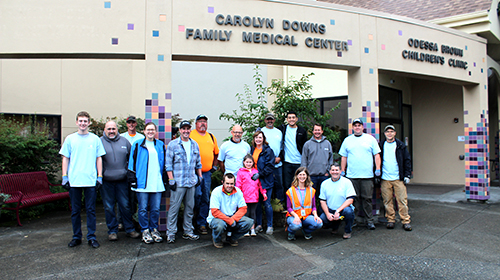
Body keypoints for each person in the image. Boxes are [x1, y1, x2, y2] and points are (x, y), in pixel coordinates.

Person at [60, 111, 106, 248]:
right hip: (74, 181)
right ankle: (76, 237)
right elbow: (65, 158)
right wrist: (64, 176)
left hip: (90, 180)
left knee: (91, 210)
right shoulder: (70, 139)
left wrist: (99, 176)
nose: (83, 123)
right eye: (80, 121)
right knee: (75, 211)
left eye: (85, 121)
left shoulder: (95, 139)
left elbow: (99, 158)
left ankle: (91, 237)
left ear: (89, 123)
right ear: (76, 122)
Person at [100, 121, 140, 241]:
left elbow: (131, 159)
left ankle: (129, 229)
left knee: (125, 205)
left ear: (117, 129)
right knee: (108, 207)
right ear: (105, 129)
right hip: (106, 181)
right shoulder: (99, 142)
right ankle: (112, 231)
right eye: (109, 129)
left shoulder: (124, 141)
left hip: (122, 181)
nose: (111, 131)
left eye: (113, 129)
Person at [339, 118, 381, 230]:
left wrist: (377, 168)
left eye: (359, 125)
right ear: (352, 128)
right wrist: (342, 170)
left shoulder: (370, 139)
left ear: (363, 127)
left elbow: (376, 155)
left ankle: (369, 221)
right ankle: (354, 220)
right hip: (352, 176)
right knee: (354, 200)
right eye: (355, 125)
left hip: (367, 176)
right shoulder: (347, 140)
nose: (357, 127)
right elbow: (344, 156)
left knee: (367, 199)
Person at [128, 122, 166, 244]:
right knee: (143, 208)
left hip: (157, 182)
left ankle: (154, 229)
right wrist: (132, 178)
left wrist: (166, 178)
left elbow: (164, 162)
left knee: (155, 209)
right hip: (142, 182)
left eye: (152, 130)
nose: (150, 132)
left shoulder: (160, 145)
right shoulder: (137, 144)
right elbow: (131, 162)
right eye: (148, 130)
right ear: (144, 131)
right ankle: (145, 230)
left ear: (155, 132)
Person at [165, 120, 203, 243]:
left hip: (191, 182)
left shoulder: (194, 144)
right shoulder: (173, 144)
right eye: (183, 129)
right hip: (178, 182)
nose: (186, 131)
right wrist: (171, 179)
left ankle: (188, 231)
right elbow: (168, 164)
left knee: (189, 208)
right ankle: (171, 233)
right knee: (174, 208)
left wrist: (200, 176)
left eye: (188, 129)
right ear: (180, 130)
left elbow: (198, 163)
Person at [190, 114, 219, 235]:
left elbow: (216, 153)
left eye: (205, 122)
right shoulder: (191, 134)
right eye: (200, 121)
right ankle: (191, 221)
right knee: (195, 196)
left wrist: (214, 167)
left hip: (206, 173)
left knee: (205, 198)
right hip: (193, 173)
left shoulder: (211, 137)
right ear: (196, 123)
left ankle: (202, 223)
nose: (203, 124)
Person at [379, 125, 413, 231]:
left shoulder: (401, 146)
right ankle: (390, 220)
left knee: (402, 200)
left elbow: (407, 160)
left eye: (391, 131)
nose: (389, 133)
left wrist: (407, 175)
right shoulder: (380, 145)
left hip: (398, 178)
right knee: (387, 201)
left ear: (395, 133)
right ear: (384, 133)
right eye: (387, 131)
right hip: (385, 178)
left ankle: (405, 221)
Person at [207, 173, 254, 248]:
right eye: (227, 183)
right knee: (219, 225)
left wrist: (232, 219)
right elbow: (215, 211)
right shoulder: (216, 192)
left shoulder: (238, 191)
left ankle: (232, 239)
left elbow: (243, 208)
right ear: (223, 182)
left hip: (232, 217)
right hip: (217, 218)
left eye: (231, 184)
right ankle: (217, 240)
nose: (229, 186)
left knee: (249, 222)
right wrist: (229, 221)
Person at [119, 115, 144, 230]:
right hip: (122, 170)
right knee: (122, 197)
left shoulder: (141, 137)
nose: (131, 125)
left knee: (134, 198)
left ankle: (133, 220)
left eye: (133, 123)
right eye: (129, 123)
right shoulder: (121, 137)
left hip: (135, 171)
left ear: (136, 124)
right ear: (126, 124)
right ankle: (121, 221)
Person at [319, 163, 356, 239]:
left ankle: (347, 231)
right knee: (323, 219)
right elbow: (322, 201)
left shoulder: (347, 182)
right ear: (329, 171)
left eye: (337, 170)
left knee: (348, 212)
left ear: (340, 171)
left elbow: (350, 200)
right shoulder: (324, 184)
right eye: (333, 170)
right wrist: (328, 214)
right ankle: (335, 226)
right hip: (331, 210)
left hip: (342, 211)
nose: (334, 172)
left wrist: (338, 211)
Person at [285, 167, 323, 241]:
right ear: (297, 176)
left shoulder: (311, 190)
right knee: (296, 225)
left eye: (304, 175)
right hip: (293, 215)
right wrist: (296, 216)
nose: (302, 177)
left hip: (306, 216)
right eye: (300, 175)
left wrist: (316, 215)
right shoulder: (291, 190)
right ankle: (291, 232)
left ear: (307, 176)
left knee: (319, 223)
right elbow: (289, 207)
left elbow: (314, 206)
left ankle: (307, 231)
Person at [251, 131, 276, 235]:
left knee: (267, 203)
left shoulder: (268, 151)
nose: (258, 139)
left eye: (260, 137)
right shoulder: (252, 149)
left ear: (263, 139)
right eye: (256, 137)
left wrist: (260, 174)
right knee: (257, 203)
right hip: (254, 181)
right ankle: (259, 225)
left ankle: (270, 225)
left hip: (266, 180)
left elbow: (270, 166)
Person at [236, 154, 267, 237]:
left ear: (253, 163)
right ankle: (245, 230)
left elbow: (260, 184)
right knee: (246, 213)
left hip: (254, 197)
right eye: (247, 162)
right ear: (243, 162)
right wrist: (238, 195)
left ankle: (252, 229)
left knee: (253, 213)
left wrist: (263, 192)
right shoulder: (241, 172)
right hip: (244, 197)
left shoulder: (256, 172)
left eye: (250, 162)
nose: (248, 164)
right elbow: (238, 184)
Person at [278, 111, 308, 195]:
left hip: (299, 162)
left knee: (300, 184)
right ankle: (289, 204)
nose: (291, 119)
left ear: (297, 119)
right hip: (287, 162)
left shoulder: (301, 130)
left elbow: (305, 146)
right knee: (287, 184)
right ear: (287, 119)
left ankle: (299, 202)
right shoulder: (282, 129)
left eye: (293, 117)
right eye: (289, 118)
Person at [301, 123, 333, 198]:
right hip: (311, 176)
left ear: (322, 131)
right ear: (313, 131)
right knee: (310, 197)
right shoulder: (307, 144)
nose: (317, 132)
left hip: (324, 175)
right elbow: (304, 159)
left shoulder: (327, 143)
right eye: (315, 130)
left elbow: (330, 159)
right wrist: (305, 173)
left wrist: (328, 171)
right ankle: (311, 210)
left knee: (324, 197)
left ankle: (323, 210)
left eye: (319, 130)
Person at [260, 113, 285, 206]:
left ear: (274, 120)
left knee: (279, 185)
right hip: (266, 164)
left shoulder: (279, 132)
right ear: (265, 120)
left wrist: (280, 158)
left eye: (271, 119)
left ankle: (279, 204)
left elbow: (282, 147)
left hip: (278, 164)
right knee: (266, 185)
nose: (270, 121)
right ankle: (266, 204)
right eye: (268, 119)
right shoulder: (261, 131)